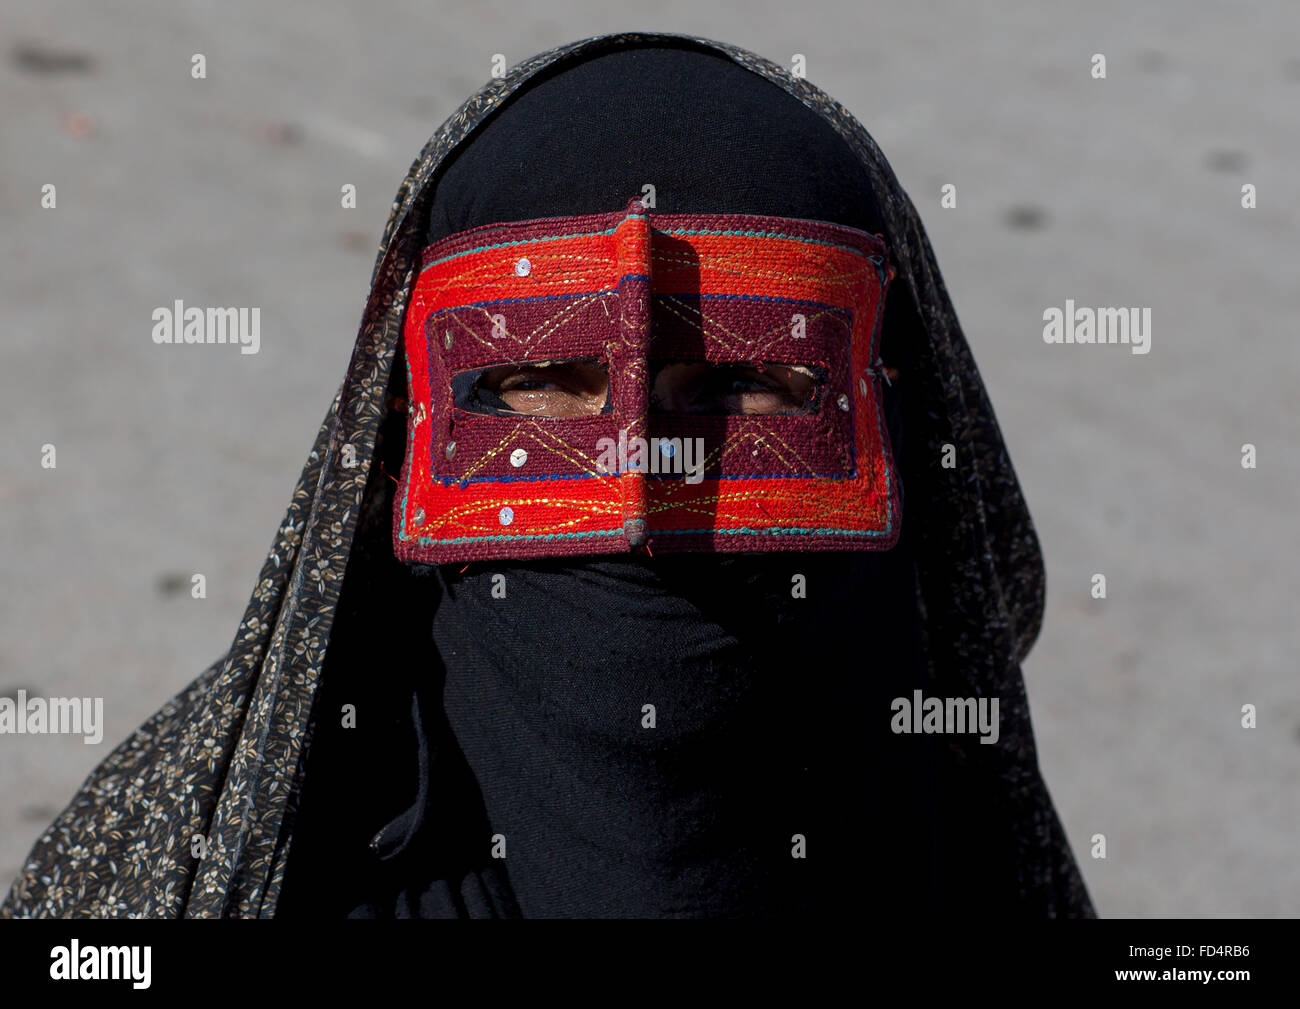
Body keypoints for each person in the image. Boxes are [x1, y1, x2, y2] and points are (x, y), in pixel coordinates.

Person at [2, 32, 1094, 919]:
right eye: (542, 382)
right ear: (407, 425)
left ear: (887, 407)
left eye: (745, 381)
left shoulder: (982, 870)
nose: (637, 483)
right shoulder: (156, 892)